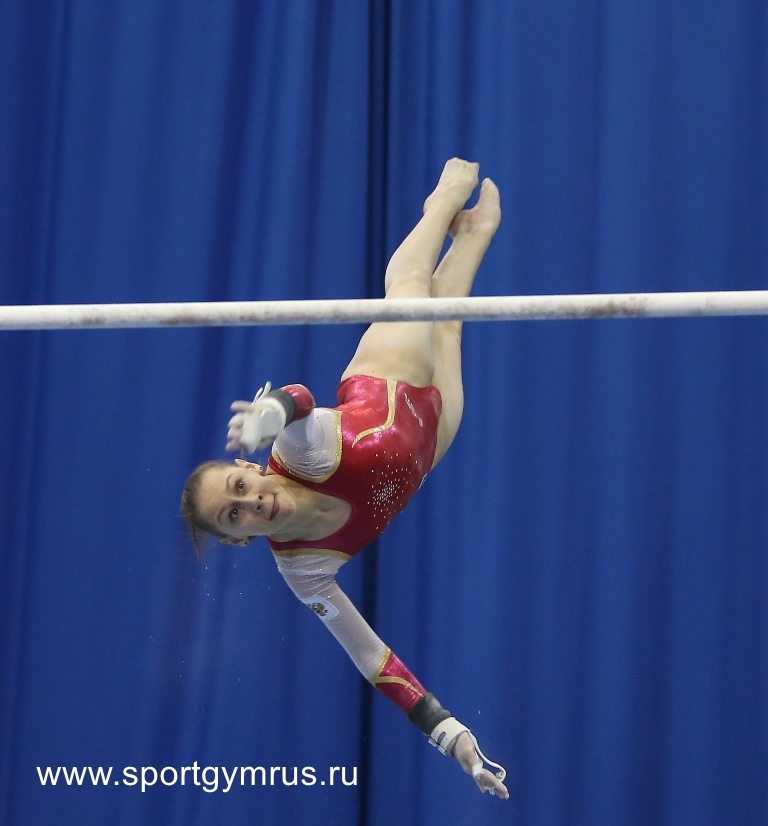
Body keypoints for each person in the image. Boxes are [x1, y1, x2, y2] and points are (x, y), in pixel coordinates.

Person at [181, 159, 508, 799]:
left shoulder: (296, 454)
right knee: (450, 318)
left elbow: (299, 399)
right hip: (430, 440)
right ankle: (475, 231)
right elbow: (370, 656)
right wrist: (452, 736)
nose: (251, 505)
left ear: (249, 468)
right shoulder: (304, 570)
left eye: (240, 489)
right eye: (233, 516)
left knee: (409, 285)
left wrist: (266, 417)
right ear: (239, 538)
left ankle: (443, 198)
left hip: (387, 380)